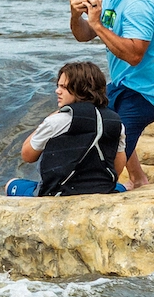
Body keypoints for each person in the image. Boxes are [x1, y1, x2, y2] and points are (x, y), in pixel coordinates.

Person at [67, 0, 154, 190]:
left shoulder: (140, 2)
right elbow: (83, 35)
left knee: (113, 139)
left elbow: (134, 56)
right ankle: (138, 179)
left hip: (147, 93)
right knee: (99, 120)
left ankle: (101, 185)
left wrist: (98, 25)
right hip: (124, 84)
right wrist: (75, 15)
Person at [10, 60, 126, 198]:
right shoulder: (115, 121)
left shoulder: (57, 121)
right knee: (121, 187)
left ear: (81, 89)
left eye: (63, 87)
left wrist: (49, 118)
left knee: (12, 183)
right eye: (58, 86)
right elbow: (118, 167)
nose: (57, 91)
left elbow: (27, 155)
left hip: (59, 193)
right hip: (102, 190)